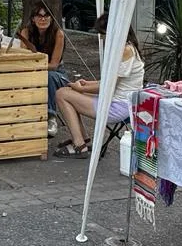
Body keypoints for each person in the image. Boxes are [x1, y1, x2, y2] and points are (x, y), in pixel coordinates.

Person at [52, 15, 144, 157]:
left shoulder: (125, 50)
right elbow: (109, 81)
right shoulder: (127, 46)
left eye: (104, 34)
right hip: (117, 100)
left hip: (118, 106)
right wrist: (87, 84)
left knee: (62, 94)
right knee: (67, 91)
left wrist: (81, 88)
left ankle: (79, 144)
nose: (103, 38)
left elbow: (108, 86)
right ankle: (82, 139)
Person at [17, 3, 67, 137]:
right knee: (16, 76)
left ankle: (51, 117)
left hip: (57, 74)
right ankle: (19, 115)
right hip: (33, 70)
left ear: (51, 18)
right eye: (39, 16)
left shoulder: (58, 34)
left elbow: (54, 65)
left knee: (48, 76)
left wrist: (35, 65)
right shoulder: (26, 32)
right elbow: (23, 58)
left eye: (46, 15)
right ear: (33, 19)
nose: (43, 19)